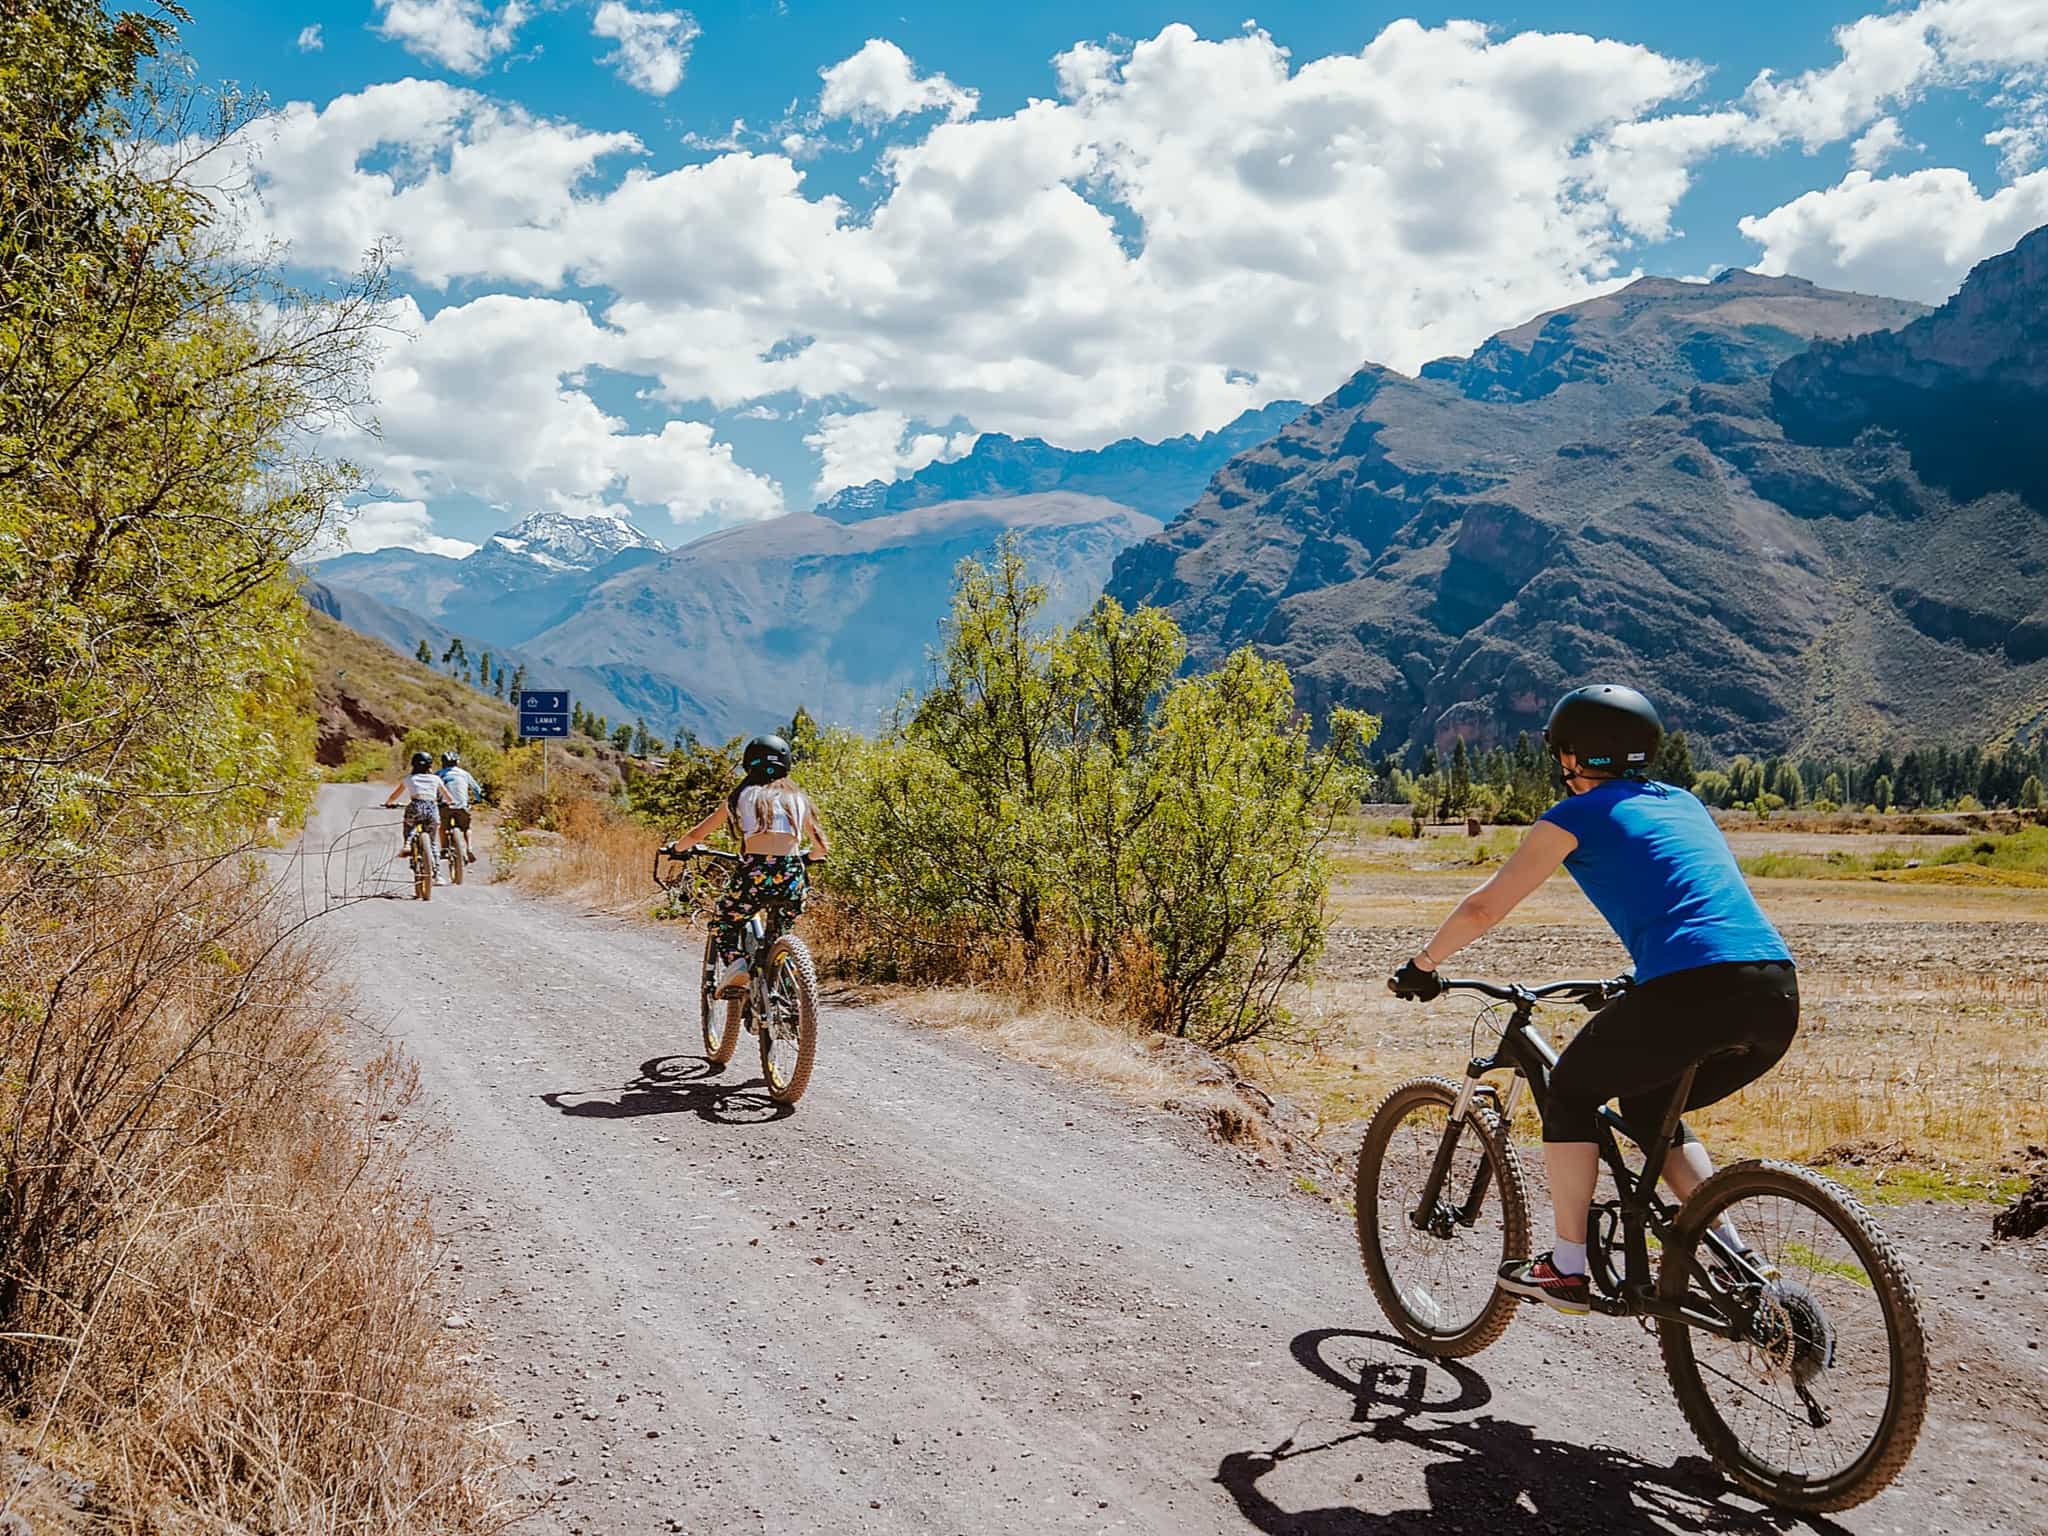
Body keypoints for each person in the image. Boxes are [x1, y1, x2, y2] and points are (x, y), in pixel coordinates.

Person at [1387, 684, 1796, 1315]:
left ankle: (1567, 1267)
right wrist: (1641, 977)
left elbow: (1485, 905)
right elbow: (1687, 899)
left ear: (1576, 756)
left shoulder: (1572, 816)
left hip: (1693, 988)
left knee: (1572, 1090)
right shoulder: (1685, 803)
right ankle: (1740, 1265)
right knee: (1651, 1101)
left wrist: (1423, 964)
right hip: (1773, 989)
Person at [664, 734, 831, 997]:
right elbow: (822, 847)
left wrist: (677, 849)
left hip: (754, 873)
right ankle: (786, 990)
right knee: (780, 931)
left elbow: (698, 835)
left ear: (748, 764)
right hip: (792, 876)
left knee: (725, 922)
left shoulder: (742, 796)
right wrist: (807, 859)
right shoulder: (799, 799)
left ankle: (736, 964)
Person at [385, 751, 458, 884]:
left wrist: (389, 803)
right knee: (432, 842)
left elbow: (394, 795)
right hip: (432, 809)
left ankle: (408, 843)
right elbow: (448, 797)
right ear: (430, 766)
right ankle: (437, 875)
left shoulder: (409, 779)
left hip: (415, 806)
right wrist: (450, 803)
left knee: (409, 825)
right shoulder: (436, 779)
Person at [437, 750, 485, 863]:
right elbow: (477, 789)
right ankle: (469, 847)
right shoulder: (464, 774)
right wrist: (478, 800)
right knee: (467, 828)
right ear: (457, 762)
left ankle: (444, 849)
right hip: (462, 806)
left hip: (445, 806)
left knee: (443, 828)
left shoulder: (439, 774)